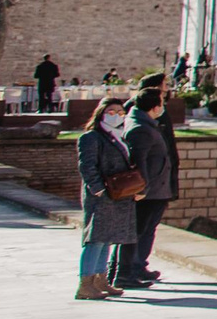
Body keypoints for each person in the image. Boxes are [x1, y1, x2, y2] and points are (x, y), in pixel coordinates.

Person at [113, 86, 176, 287]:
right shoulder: (141, 128)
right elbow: (139, 161)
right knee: (135, 232)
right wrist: (142, 189)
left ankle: (136, 267)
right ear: (155, 107)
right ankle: (124, 274)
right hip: (147, 192)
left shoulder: (146, 124)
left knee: (145, 231)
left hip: (155, 189)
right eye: (161, 102)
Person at [74, 97, 135, 301]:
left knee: (107, 238)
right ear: (101, 113)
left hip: (117, 194)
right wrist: (98, 189)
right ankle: (85, 284)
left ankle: (101, 280)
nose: (116, 116)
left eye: (120, 112)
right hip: (101, 196)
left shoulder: (119, 136)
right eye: (111, 111)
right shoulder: (91, 137)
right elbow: (87, 165)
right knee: (95, 239)